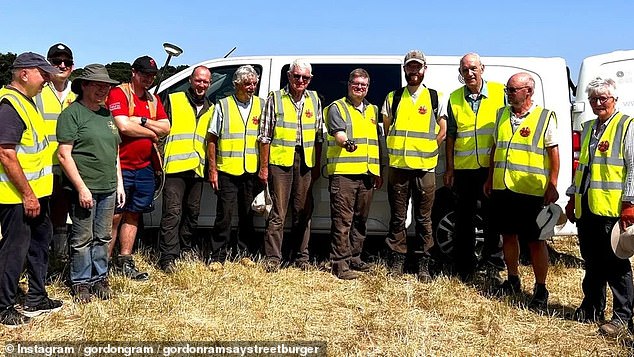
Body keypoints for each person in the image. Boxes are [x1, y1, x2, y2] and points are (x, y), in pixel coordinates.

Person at [565, 77, 634, 337]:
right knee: (592, 262)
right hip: (588, 208)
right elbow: (582, 168)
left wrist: (630, 203)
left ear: (614, 99)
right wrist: (573, 197)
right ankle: (592, 307)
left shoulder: (627, 126)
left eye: (603, 98)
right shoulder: (589, 127)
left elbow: (633, 167)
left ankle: (622, 317)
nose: (597, 103)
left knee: (616, 265)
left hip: (613, 209)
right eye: (593, 99)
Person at [484, 72, 559, 309]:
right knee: (507, 234)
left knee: (536, 241)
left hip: (531, 190)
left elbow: (553, 153)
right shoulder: (502, 114)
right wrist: (489, 178)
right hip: (503, 186)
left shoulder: (544, 117)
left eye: (513, 90)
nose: (508, 94)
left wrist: (553, 184)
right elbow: (496, 148)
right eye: (507, 89)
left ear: (528, 91)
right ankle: (512, 278)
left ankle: (540, 288)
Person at [0, 52, 63, 326]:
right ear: (24, 73)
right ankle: (3, 306)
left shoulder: (28, 102)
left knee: (40, 243)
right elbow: (6, 154)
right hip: (17, 196)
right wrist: (27, 195)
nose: (47, 80)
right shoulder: (10, 105)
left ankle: (36, 296)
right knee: (13, 251)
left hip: (37, 193)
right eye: (43, 74)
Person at [57, 64, 123, 302]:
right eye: (97, 85)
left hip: (108, 187)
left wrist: (120, 184)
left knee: (103, 236)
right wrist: (81, 188)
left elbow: (114, 151)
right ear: (83, 85)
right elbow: (64, 154)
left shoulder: (107, 114)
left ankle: (99, 277)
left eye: (106, 86)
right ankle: (81, 281)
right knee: (82, 238)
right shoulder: (72, 114)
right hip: (84, 188)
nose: (103, 90)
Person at [381, 50, 447, 281]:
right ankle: (397, 260)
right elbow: (387, 127)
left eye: (418, 67)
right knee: (398, 217)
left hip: (425, 168)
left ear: (424, 70)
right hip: (399, 167)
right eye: (410, 67)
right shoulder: (394, 97)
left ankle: (423, 263)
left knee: (424, 219)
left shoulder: (435, 97)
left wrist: (430, 147)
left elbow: (443, 129)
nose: (414, 71)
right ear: (405, 69)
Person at [106, 56, 170, 280]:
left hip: (144, 167)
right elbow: (122, 125)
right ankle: (103, 264)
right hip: (120, 166)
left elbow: (166, 127)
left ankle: (124, 259)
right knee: (114, 216)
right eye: (144, 74)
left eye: (152, 75)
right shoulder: (119, 93)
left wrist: (141, 121)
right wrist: (152, 132)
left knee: (133, 214)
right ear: (133, 72)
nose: (148, 79)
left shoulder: (153, 99)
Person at [443, 53, 505, 283]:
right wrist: (449, 168)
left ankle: (493, 265)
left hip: (492, 168)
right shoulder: (454, 98)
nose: (469, 73)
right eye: (464, 70)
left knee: (492, 220)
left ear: (482, 69)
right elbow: (451, 135)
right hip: (464, 169)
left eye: (473, 68)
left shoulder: (500, 93)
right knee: (464, 219)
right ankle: (464, 266)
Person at [257, 59, 323, 271]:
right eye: (296, 76)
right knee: (278, 212)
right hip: (280, 162)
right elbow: (265, 136)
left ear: (310, 79)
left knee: (303, 211)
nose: (300, 80)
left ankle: (301, 258)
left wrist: (315, 166)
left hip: (305, 161)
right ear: (289, 76)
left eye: (305, 77)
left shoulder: (314, 99)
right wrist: (264, 167)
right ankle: (273, 259)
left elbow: (319, 136)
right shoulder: (275, 98)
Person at [325, 68, 383, 280]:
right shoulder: (336, 107)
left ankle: (355, 258)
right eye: (356, 83)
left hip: (367, 173)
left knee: (360, 220)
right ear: (348, 84)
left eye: (364, 85)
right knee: (343, 221)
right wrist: (347, 143)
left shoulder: (372, 110)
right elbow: (338, 133)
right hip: (344, 174)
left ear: (368, 87)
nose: (360, 87)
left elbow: (375, 143)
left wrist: (377, 171)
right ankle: (340, 264)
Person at [157, 66, 212, 273]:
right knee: (172, 212)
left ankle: (184, 248)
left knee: (192, 213)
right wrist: (159, 161)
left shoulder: (211, 107)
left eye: (205, 82)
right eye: (198, 80)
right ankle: (168, 256)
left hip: (197, 169)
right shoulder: (173, 99)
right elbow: (161, 133)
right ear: (191, 80)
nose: (202, 85)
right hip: (174, 167)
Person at [208, 65, 265, 263]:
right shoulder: (222, 105)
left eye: (254, 83)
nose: (251, 87)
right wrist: (212, 169)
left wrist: (263, 168)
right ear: (236, 85)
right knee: (224, 215)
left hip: (250, 169)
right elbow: (212, 139)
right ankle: (217, 255)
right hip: (227, 170)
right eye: (247, 83)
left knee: (247, 214)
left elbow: (265, 139)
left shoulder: (262, 105)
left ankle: (245, 253)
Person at [35, 43, 76, 270]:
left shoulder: (79, 93)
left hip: (69, 166)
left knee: (62, 212)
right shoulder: (37, 92)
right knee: (39, 216)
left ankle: (59, 258)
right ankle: (40, 260)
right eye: (56, 61)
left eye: (66, 62)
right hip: (42, 166)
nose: (62, 65)